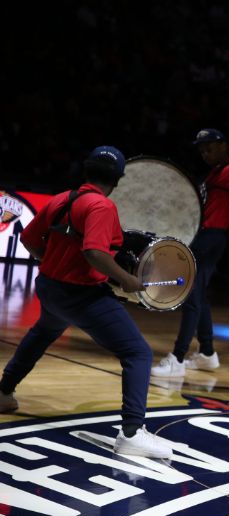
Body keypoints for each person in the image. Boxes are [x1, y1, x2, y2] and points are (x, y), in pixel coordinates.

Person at [0, 146, 171, 458]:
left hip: (50, 288)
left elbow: (28, 239)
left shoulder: (61, 198)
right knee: (138, 352)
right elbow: (94, 252)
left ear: (87, 170)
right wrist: (126, 279)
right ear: (118, 178)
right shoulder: (102, 207)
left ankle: (3, 393)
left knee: (42, 333)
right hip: (81, 295)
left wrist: (49, 260)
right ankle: (132, 433)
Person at [151, 128, 229, 377]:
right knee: (199, 296)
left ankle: (177, 358)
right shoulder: (215, 173)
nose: (204, 153)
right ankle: (207, 353)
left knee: (191, 296)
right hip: (204, 237)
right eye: (201, 149)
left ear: (224, 145)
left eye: (209, 147)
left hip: (211, 237)